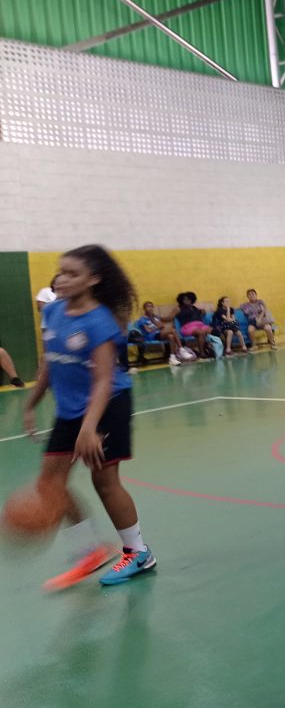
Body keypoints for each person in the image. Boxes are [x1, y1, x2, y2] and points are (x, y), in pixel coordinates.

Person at [21, 244, 156, 590]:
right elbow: (50, 362)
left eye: (72, 273)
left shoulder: (100, 322)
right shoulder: (53, 312)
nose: (62, 279)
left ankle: (138, 553)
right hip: (70, 409)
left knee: (104, 480)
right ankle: (90, 551)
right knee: (49, 484)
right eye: (60, 272)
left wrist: (89, 427)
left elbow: (103, 380)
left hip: (107, 404)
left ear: (93, 279)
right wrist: (31, 402)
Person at [133, 300, 182, 365]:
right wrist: (157, 327)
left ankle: (172, 357)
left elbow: (162, 326)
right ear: (144, 309)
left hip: (159, 334)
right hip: (151, 336)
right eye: (148, 307)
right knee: (172, 330)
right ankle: (181, 349)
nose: (150, 308)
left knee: (171, 336)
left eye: (151, 306)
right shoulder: (142, 319)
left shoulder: (155, 317)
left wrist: (153, 320)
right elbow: (148, 330)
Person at [174, 291, 214, 359]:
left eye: (189, 299)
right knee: (201, 332)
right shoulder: (179, 308)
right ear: (181, 300)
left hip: (200, 326)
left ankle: (217, 349)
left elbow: (201, 314)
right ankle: (202, 353)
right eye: (185, 299)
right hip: (187, 327)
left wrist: (203, 312)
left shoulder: (194, 308)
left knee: (214, 330)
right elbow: (170, 317)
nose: (187, 300)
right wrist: (157, 318)